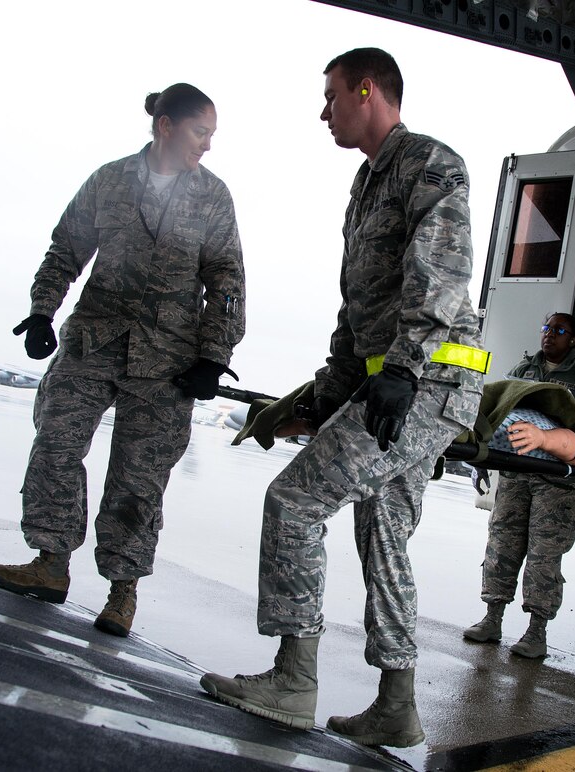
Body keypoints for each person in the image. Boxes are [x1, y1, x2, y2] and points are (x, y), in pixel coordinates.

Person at [199, 48, 487, 749]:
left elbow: (441, 274)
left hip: (429, 382)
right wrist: (327, 393)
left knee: (294, 502)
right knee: (380, 529)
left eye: (331, 96)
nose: (323, 111)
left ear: (368, 91)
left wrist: (406, 367)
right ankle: (397, 704)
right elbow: (357, 306)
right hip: (400, 383)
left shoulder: (429, 163)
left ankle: (293, 680)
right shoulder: (365, 184)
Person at [0, 84, 245, 637]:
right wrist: (41, 312)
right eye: (201, 132)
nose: (208, 145)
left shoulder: (213, 197)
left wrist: (214, 355)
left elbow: (226, 279)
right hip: (93, 339)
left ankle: (123, 592)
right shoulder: (109, 180)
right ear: (165, 126)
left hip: (169, 356)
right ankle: (50, 563)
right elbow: (66, 248)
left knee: (139, 476)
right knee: (55, 441)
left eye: (213, 136)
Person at [463, 313, 575, 658]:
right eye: (546, 328)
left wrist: (573, 443)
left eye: (560, 330)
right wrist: (483, 462)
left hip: (558, 480)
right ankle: (493, 617)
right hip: (518, 472)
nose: (550, 335)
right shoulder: (523, 370)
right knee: (502, 543)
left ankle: (537, 631)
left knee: (544, 554)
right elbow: (501, 413)